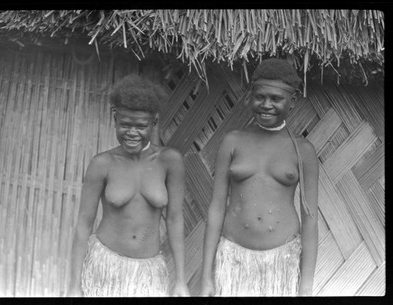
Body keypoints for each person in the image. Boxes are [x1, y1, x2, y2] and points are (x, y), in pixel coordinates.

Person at [201, 58, 319, 296]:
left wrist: (306, 286)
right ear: (250, 97)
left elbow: (311, 219)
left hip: (281, 261)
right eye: (260, 97)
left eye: (276, 99)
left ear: (292, 101)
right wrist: (206, 277)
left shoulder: (303, 150)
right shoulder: (232, 142)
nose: (266, 105)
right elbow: (216, 209)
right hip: (234, 258)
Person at [68, 74, 189, 297]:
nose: (132, 133)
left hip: (148, 271)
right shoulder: (102, 163)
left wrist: (181, 281)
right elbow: (84, 224)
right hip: (105, 266)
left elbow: (174, 220)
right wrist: (74, 286)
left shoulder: (170, 161)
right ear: (114, 118)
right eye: (125, 124)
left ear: (154, 122)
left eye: (141, 126)